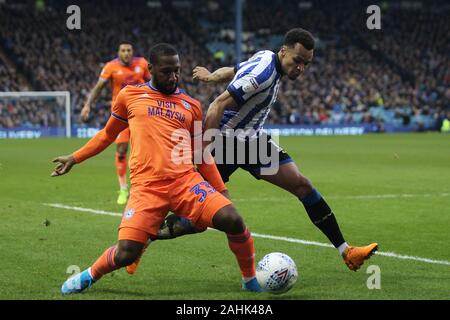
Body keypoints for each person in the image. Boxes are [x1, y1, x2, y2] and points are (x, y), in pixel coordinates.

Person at [134, 28, 378, 274]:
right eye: (297, 61)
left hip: (252, 142)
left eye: (306, 64)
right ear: (283, 51)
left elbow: (234, 70)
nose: (301, 68)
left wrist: (211, 76)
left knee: (302, 185)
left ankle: (347, 251)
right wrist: (203, 153)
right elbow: (216, 106)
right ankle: (145, 238)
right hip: (225, 143)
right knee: (197, 219)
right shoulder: (264, 74)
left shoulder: (265, 57)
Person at [52, 43, 262, 294]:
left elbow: (201, 154)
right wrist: (75, 158)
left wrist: (221, 190)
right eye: (166, 71)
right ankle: (90, 275)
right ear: (150, 69)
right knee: (126, 254)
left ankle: (250, 281)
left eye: (177, 70)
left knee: (233, 220)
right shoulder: (129, 96)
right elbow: (107, 135)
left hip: (185, 182)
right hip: (146, 188)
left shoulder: (191, 105)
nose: (173, 77)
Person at [80, 41, 151, 205]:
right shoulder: (111, 67)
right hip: (121, 115)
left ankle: (142, 187)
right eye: (123, 50)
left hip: (142, 113)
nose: (126, 53)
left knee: (144, 150)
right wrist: (87, 105)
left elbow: (153, 82)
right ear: (118, 52)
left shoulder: (142, 64)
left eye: (129, 50)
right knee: (121, 150)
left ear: (133, 51)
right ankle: (123, 188)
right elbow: (98, 87)